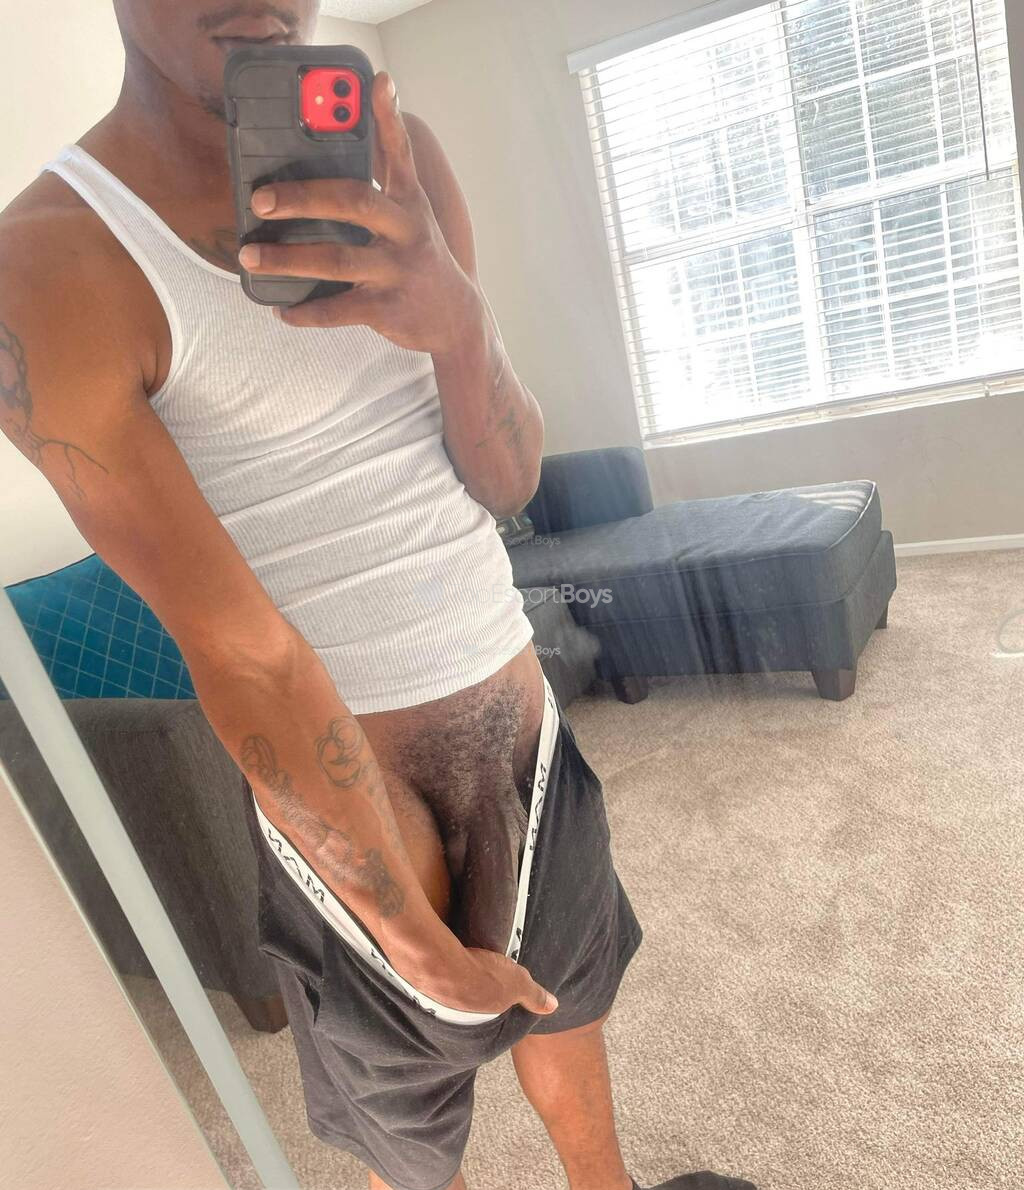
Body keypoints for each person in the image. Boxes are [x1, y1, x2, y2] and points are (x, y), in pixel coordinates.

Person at [0, 4, 756, 1189]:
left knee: (570, 1033)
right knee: (409, 1156)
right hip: (356, 812)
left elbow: (505, 480)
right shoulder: (47, 262)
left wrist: (459, 327)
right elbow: (238, 649)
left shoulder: (403, 159)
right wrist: (407, 930)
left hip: (523, 724)